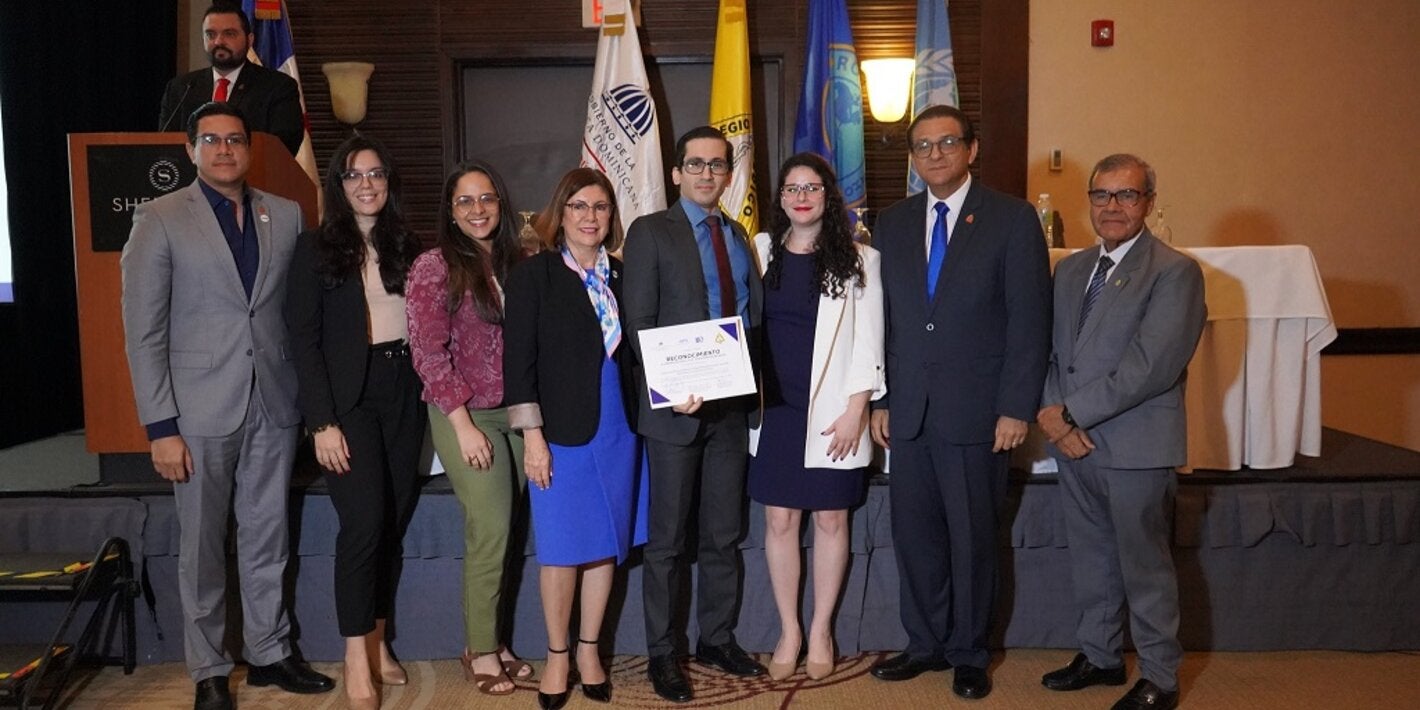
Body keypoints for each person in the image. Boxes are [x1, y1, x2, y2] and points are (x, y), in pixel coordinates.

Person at [121, 102, 332, 710]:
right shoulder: (159, 218)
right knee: (203, 545)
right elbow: (144, 332)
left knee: (269, 536)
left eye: (234, 139)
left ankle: (269, 653)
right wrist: (160, 426)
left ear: (248, 147)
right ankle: (209, 670)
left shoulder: (284, 214)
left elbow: (292, 313)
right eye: (210, 139)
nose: (223, 149)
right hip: (195, 415)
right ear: (191, 149)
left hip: (272, 402)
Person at [867, 104, 1052, 699]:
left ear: (972, 149)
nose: (935, 154)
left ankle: (970, 651)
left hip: (979, 414)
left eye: (947, 142)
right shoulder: (891, 223)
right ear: (913, 158)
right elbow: (887, 323)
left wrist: (1016, 407)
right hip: (909, 412)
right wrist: (882, 399)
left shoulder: (1011, 219)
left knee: (973, 538)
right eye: (923, 146)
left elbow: (1030, 323)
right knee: (914, 535)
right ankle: (924, 643)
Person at [1036, 154, 1205, 710]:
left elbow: (1149, 366)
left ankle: (1159, 676)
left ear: (1149, 203)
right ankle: (1102, 656)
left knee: (1145, 566)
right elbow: (1053, 355)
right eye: (1102, 195)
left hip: (1136, 445)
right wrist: (1054, 418)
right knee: (1092, 558)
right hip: (1075, 444)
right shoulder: (1070, 269)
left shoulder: (1174, 271)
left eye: (1126, 195)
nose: (1112, 207)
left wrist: (1069, 415)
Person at [622, 126, 767, 703]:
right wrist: (669, 385)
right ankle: (663, 652)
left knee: (723, 535)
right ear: (677, 172)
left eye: (718, 165)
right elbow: (639, 323)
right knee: (666, 541)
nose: (708, 174)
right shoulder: (650, 232)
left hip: (730, 410)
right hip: (675, 413)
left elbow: (750, 321)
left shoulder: (739, 236)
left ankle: (717, 639)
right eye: (696, 165)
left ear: (729, 174)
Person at [283, 134, 424, 710]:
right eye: (353, 175)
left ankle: (379, 641)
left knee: (392, 520)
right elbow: (303, 339)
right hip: (347, 399)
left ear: (388, 183)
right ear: (339, 186)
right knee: (363, 523)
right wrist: (322, 421)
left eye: (376, 174)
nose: (366, 184)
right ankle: (353, 658)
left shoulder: (408, 245)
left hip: (404, 390)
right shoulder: (313, 249)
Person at [503, 167, 649, 710]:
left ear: (612, 217)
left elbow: (643, 350)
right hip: (560, 433)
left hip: (619, 427)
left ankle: (590, 650)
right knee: (563, 550)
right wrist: (533, 438)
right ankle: (558, 655)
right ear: (559, 214)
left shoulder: (624, 274)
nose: (591, 217)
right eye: (580, 207)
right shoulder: (533, 275)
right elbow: (518, 364)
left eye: (601, 207)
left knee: (605, 544)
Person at [747, 153, 884, 681]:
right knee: (780, 520)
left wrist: (857, 409)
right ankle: (790, 630)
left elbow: (871, 340)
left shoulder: (860, 259)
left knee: (830, 519)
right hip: (775, 408)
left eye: (812, 187)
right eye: (790, 188)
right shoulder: (758, 251)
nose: (801, 195)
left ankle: (822, 628)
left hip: (834, 411)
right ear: (780, 198)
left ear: (828, 195)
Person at [406, 162, 533, 696]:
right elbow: (427, 354)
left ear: (501, 206)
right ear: (451, 212)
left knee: (511, 531)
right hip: (466, 413)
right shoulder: (434, 267)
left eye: (487, 199)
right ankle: (479, 649)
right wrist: (461, 425)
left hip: (519, 413)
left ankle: (497, 641)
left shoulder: (520, 261)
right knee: (492, 529)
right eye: (465, 201)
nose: (477, 209)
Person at [158, 4, 303, 156]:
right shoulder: (181, 88)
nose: (219, 41)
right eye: (210, 34)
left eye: (229, 34)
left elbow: (284, 147)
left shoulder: (278, 87)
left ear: (250, 40)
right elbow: (164, 146)